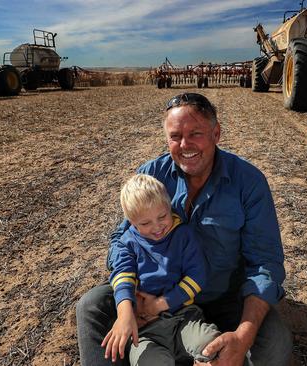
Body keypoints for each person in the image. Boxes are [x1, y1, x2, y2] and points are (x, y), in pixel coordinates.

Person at [76, 92, 292, 366]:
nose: (184, 144)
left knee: (275, 345)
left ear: (216, 133)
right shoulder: (152, 174)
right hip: (154, 293)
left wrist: (243, 337)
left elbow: (265, 263)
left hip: (224, 297)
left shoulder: (248, 182)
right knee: (91, 307)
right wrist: (130, 305)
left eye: (196, 133)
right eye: (175, 136)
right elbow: (122, 238)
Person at [103, 173, 221, 365]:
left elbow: (198, 276)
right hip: (145, 330)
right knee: (150, 361)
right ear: (131, 222)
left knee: (211, 343)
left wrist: (158, 304)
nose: (157, 227)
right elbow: (122, 275)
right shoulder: (128, 243)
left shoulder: (183, 235)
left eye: (162, 216)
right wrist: (125, 315)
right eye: (145, 223)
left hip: (184, 318)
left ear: (169, 207)